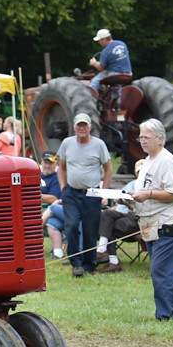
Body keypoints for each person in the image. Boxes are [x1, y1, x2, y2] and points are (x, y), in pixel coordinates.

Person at [127, 119, 173, 320]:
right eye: (141, 137)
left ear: (160, 139)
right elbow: (144, 190)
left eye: (147, 137)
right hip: (151, 224)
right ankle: (164, 313)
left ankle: (167, 316)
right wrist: (131, 198)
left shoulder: (166, 160)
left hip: (169, 224)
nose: (142, 141)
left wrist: (148, 195)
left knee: (162, 271)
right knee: (158, 271)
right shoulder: (148, 160)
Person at [58, 112, 113, 276]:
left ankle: (89, 265)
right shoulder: (67, 143)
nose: (82, 128)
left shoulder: (99, 144)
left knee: (90, 230)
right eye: (79, 125)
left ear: (90, 127)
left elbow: (109, 169)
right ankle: (76, 263)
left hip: (92, 193)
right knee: (72, 225)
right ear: (74, 127)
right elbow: (61, 167)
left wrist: (104, 192)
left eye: (85, 125)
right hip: (71, 193)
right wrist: (63, 188)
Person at [95, 158, 145, 273]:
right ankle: (110, 259)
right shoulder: (131, 185)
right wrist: (122, 203)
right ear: (135, 172)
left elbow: (140, 209)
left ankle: (106, 255)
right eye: (139, 172)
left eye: (143, 172)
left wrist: (127, 204)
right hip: (125, 216)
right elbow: (121, 206)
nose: (141, 174)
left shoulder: (148, 186)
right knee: (105, 215)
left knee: (109, 223)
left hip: (139, 220)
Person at [39, 151, 65, 259]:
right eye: (45, 163)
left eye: (50, 163)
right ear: (41, 162)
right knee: (51, 222)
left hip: (49, 209)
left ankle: (36, 231)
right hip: (33, 209)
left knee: (52, 218)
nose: (47, 166)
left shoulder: (57, 178)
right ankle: (58, 252)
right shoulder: (36, 175)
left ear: (56, 164)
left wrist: (33, 195)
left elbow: (53, 199)